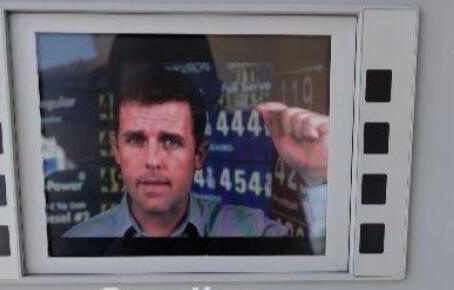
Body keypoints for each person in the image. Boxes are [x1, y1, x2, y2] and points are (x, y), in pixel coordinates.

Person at [62, 68, 329, 240]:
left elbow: (323, 289)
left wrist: (318, 179)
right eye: (135, 139)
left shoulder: (249, 233)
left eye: (170, 141)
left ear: (199, 155)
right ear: (116, 149)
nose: (153, 160)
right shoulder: (79, 243)